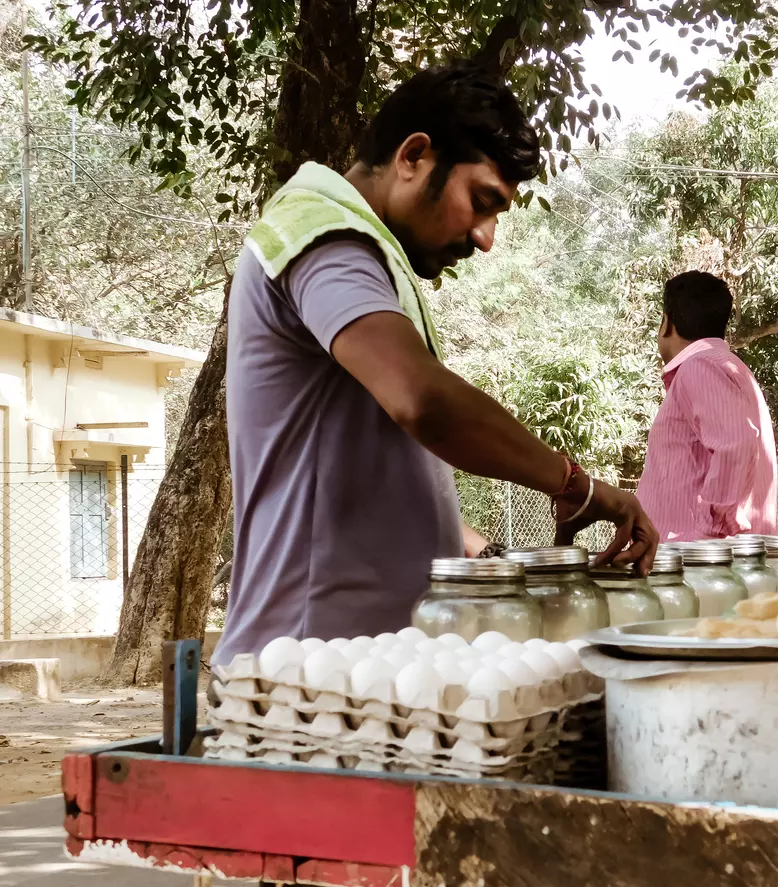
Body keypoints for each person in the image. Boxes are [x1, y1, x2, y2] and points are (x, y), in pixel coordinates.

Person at [214, 62, 656, 663]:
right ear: (414, 156)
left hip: (365, 669)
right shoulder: (322, 233)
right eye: (481, 202)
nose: (486, 238)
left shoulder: (367, 257)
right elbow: (421, 400)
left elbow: (371, 459)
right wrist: (578, 487)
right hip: (306, 672)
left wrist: (463, 545)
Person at [635, 271, 778, 542]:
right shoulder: (731, 368)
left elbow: (736, 442)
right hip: (707, 562)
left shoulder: (699, 366)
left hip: (698, 567)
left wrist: (710, 530)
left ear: (666, 324)